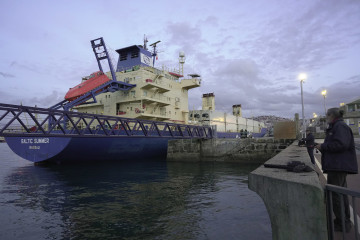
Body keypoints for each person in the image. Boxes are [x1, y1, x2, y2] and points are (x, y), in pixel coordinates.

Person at [315, 108, 358, 232]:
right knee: (340, 193)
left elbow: (341, 144)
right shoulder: (338, 126)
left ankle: (342, 223)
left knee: (336, 195)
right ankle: (344, 221)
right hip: (337, 165)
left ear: (331, 115)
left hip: (338, 166)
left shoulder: (340, 127)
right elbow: (339, 144)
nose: (326, 117)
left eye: (327, 115)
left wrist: (323, 146)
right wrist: (323, 148)